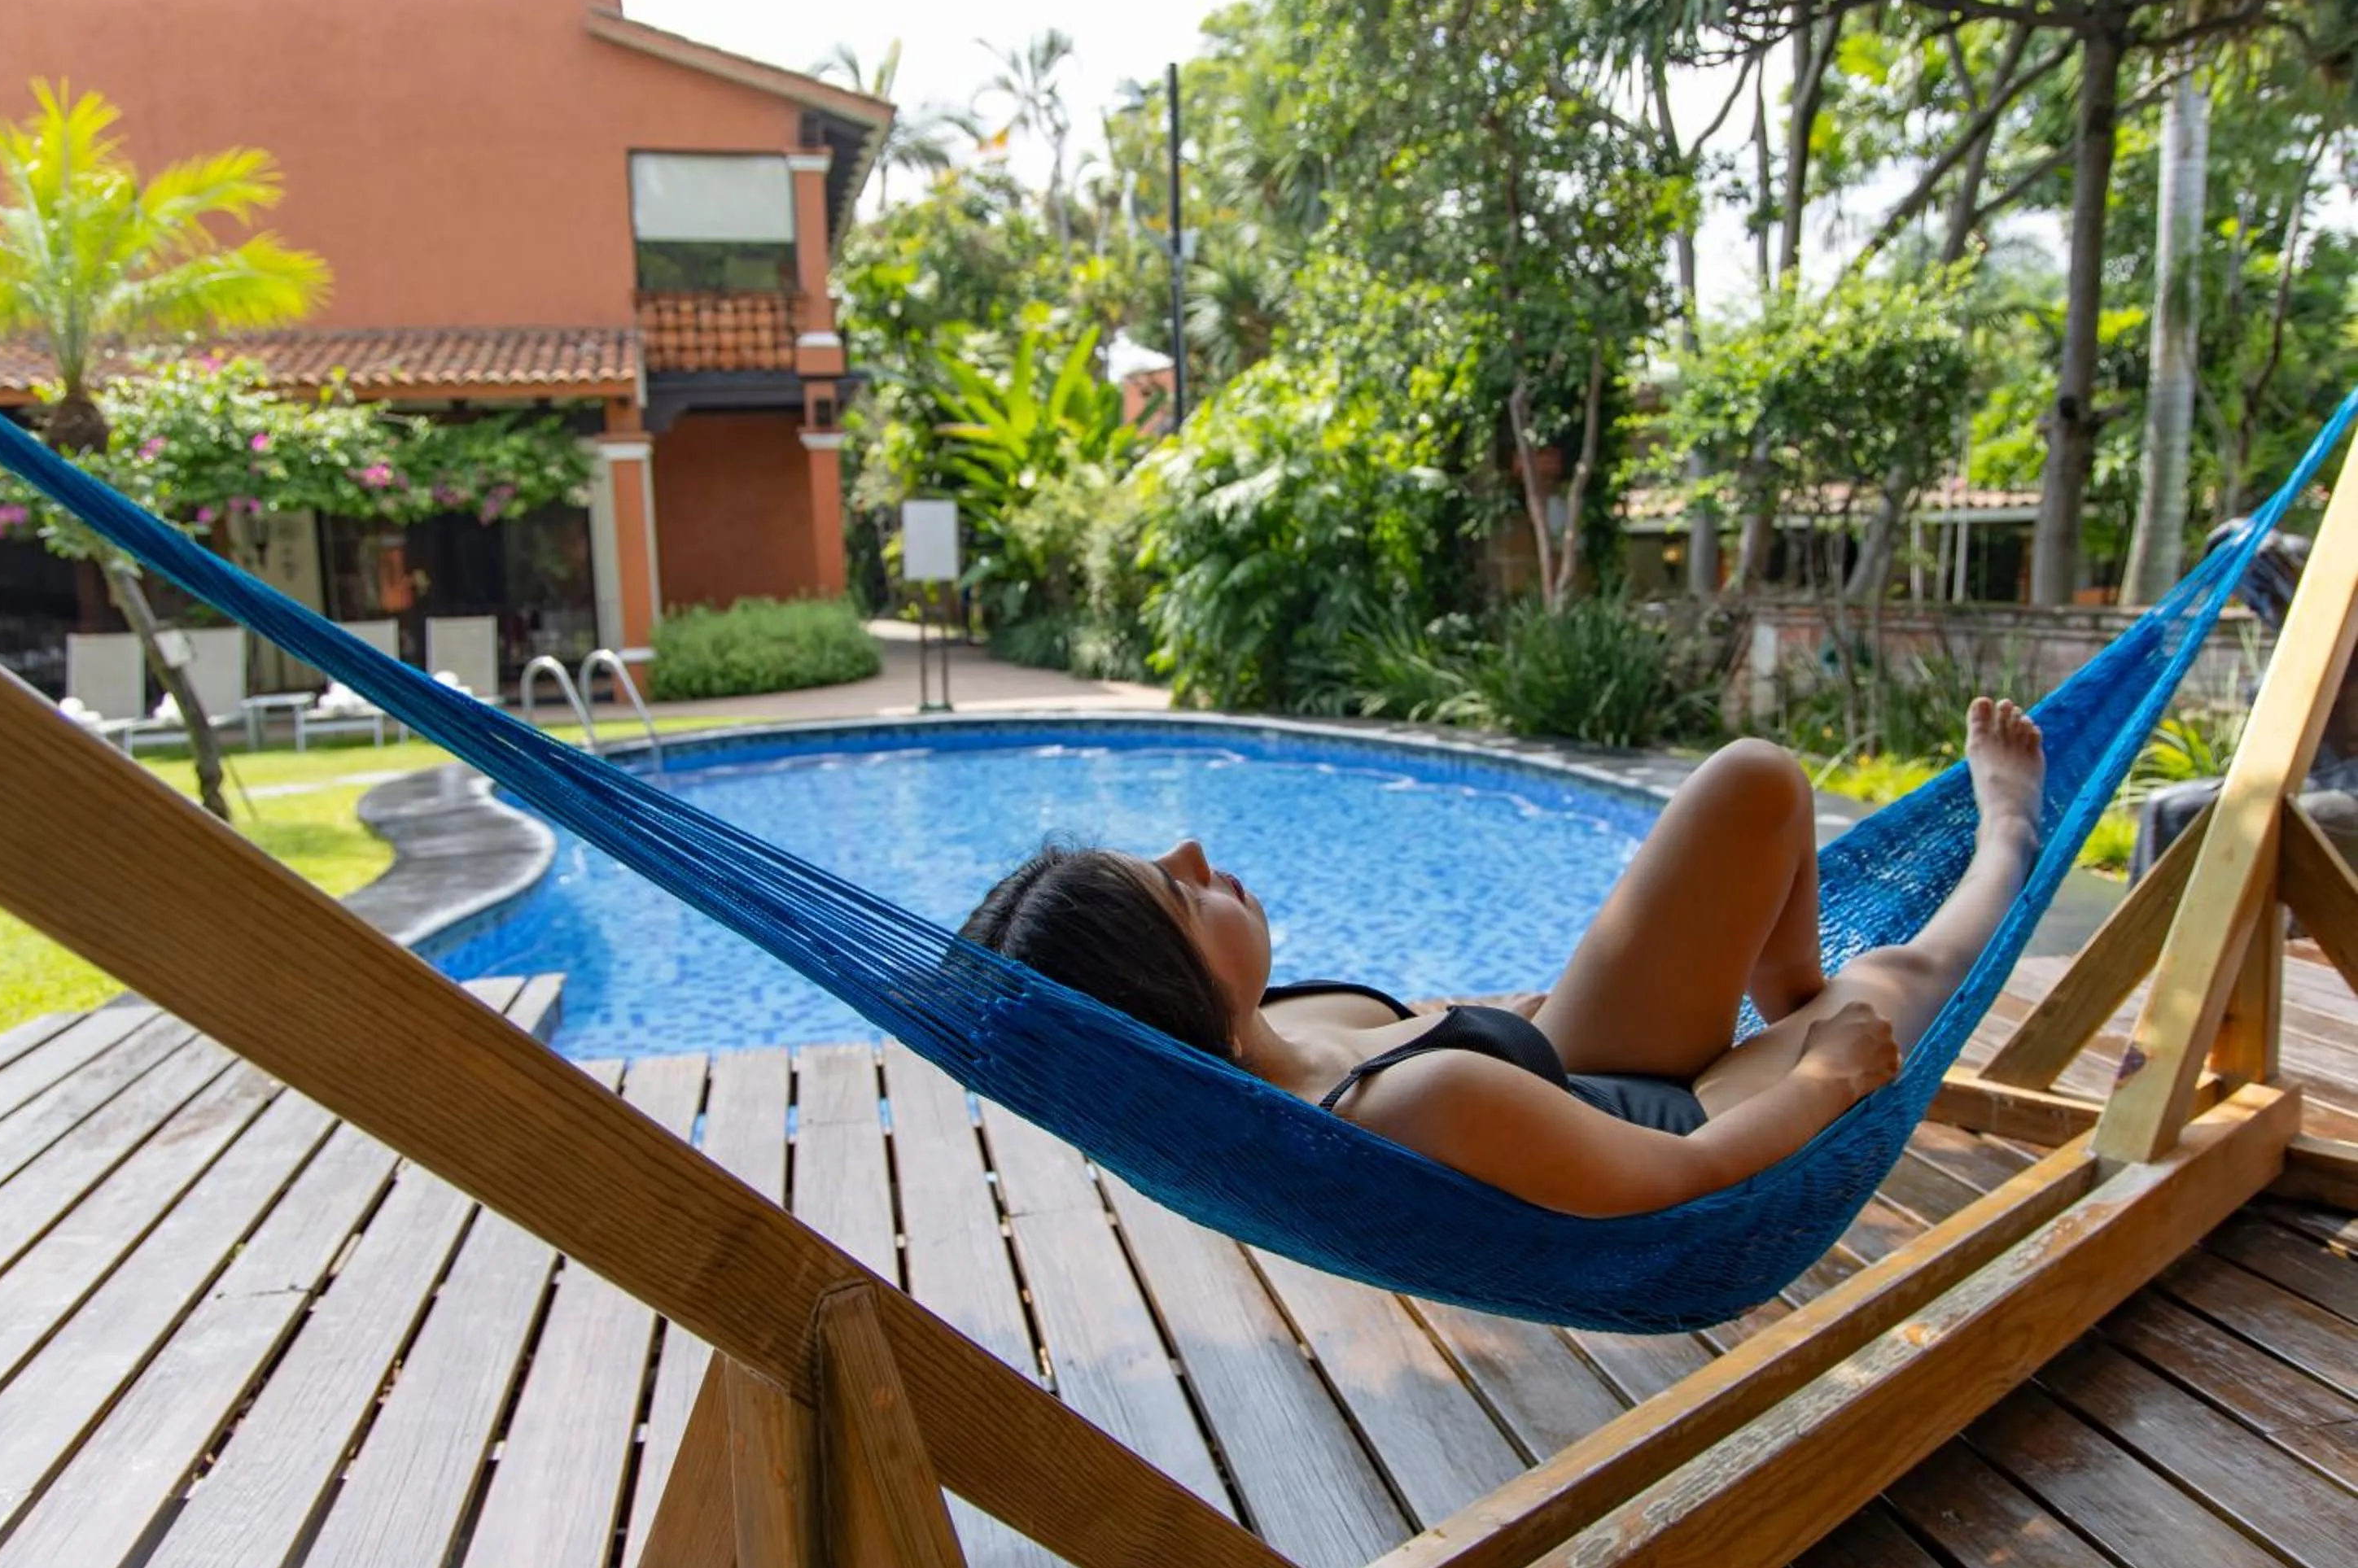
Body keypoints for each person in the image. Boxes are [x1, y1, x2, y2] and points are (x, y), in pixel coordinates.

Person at [962, 699, 2045, 1218]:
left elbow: (1458, 1035)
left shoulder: (1276, 1030)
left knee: (1754, 783)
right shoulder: (1406, 1110)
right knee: (1899, 985)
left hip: (1566, 1067)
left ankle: (1796, 996)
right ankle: (2008, 839)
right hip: (1690, 1127)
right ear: (1180, 995)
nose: (1193, 851)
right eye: (1177, 895)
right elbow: (1686, 1177)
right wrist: (1822, 1078)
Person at [2129, 519, 2358, 884]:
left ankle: (2287, 935)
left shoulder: (2344, 633)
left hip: (2348, 787)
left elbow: (2281, 566)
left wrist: (2274, 555)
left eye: (2261, 593)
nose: (2255, 607)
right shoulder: (2288, 645)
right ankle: (2147, 940)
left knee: (2289, 820)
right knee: (2168, 808)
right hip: (2299, 782)